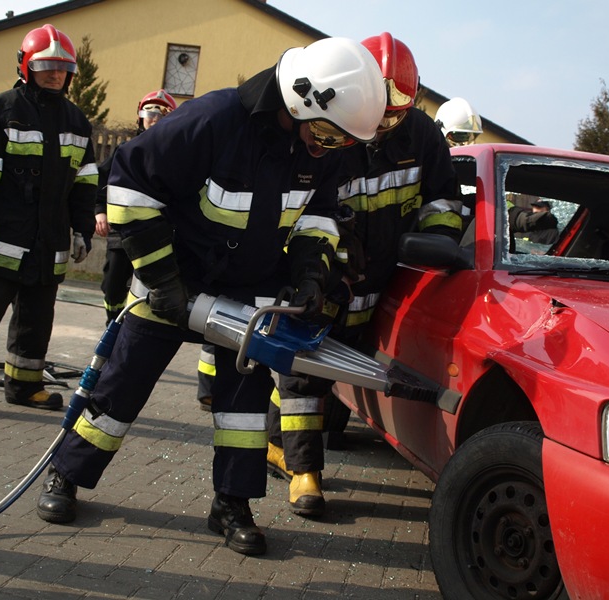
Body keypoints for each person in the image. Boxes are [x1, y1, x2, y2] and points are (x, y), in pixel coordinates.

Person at [35, 37, 387, 557]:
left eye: (340, 141)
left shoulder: (323, 147)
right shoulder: (213, 121)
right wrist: (163, 282)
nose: (329, 148)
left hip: (247, 290)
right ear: (299, 100)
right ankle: (67, 474)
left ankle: (231, 506)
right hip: (171, 276)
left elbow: (318, 217)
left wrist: (310, 275)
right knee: (122, 384)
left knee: (244, 407)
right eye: (326, 134)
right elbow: (130, 188)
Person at [266, 33, 463, 518]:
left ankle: (274, 443)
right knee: (303, 369)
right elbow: (304, 206)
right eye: (381, 113)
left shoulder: (422, 135)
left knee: (318, 372)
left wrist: (435, 244)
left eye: (397, 113)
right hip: (324, 276)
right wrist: (324, 261)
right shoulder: (334, 130)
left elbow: (444, 199)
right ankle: (305, 473)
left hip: (378, 284)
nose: (387, 124)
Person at [0, 24, 97, 420]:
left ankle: (25, 386)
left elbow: (85, 183)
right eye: (45, 66)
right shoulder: (2, 110)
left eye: (62, 68)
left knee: (36, 321)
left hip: (49, 243)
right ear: (26, 66)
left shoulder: (76, 121)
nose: (54, 74)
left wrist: (82, 229)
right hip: (3, 240)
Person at [96, 89, 177, 325]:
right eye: (150, 112)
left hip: (158, 235)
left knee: (152, 287)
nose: (155, 118)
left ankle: (135, 329)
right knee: (113, 284)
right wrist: (100, 211)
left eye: (163, 114)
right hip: (122, 233)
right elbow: (101, 181)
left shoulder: (177, 155)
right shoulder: (125, 151)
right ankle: (113, 323)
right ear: (140, 117)